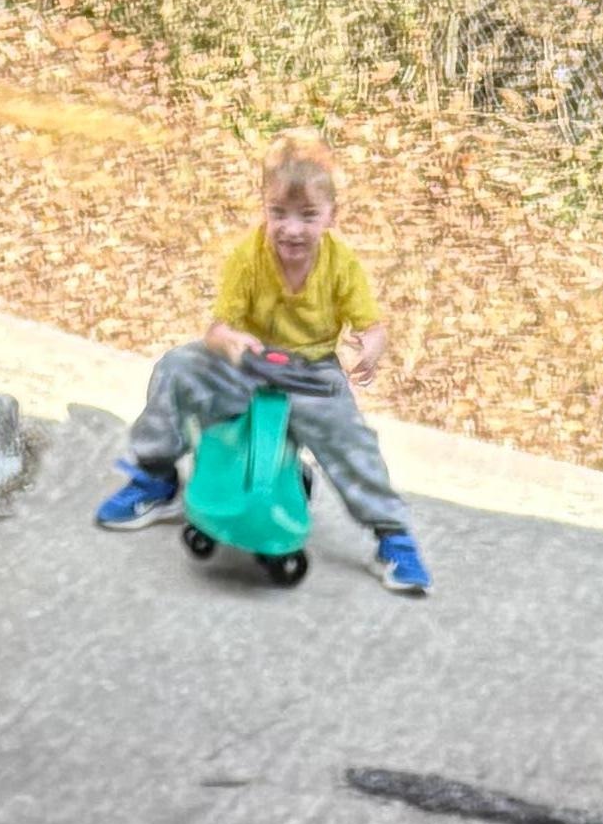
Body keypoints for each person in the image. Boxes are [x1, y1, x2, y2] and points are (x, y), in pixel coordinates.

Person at [95, 139, 431, 596]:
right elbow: (219, 329)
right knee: (177, 367)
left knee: (350, 437)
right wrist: (231, 342)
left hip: (310, 369)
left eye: (308, 216)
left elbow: (372, 326)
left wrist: (370, 346)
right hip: (248, 360)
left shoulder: (341, 266)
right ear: (265, 211)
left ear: (331, 216)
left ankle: (392, 536)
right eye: (279, 214)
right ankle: (156, 480)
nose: (292, 230)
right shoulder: (247, 258)